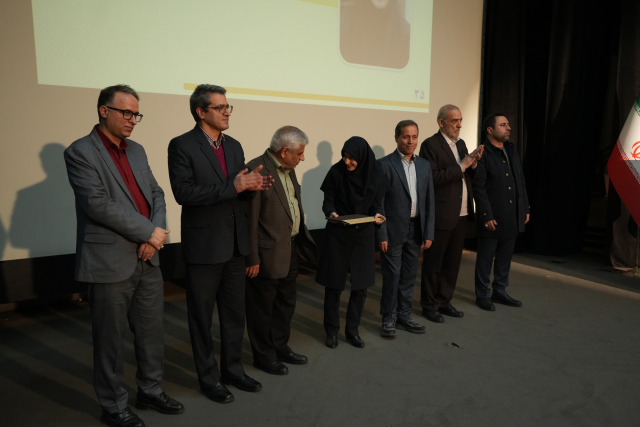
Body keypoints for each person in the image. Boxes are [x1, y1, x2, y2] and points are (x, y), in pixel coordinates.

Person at [64, 85, 183, 427]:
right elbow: (98, 204)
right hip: (109, 261)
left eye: (136, 114)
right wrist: (148, 232)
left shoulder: (138, 150)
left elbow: (157, 194)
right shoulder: (80, 152)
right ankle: (113, 405)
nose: (132, 119)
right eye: (126, 112)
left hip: (149, 256)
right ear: (104, 110)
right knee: (110, 340)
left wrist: (154, 237)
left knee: (151, 332)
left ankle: (150, 390)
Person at [167, 84, 273, 403]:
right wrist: (235, 186)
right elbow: (184, 193)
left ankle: (233, 370)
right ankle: (209, 378)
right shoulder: (182, 145)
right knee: (201, 318)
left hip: (235, 245)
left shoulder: (234, 146)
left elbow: (237, 192)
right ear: (201, 112)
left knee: (234, 314)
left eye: (228, 107)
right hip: (204, 246)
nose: (227, 112)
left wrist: (252, 188)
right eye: (220, 107)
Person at [245, 126, 318, 375]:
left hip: (290, 248)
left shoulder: (289, 169)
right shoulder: (256, 169)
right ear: (285, 151)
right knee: (262, 309)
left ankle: (280, 347)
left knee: (286, 303)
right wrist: (252, 257)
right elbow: (250, 220)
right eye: (299, 153)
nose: (303, 158)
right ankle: (263, 356)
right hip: (265, 254)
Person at [315, 137, 386, 349]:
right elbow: (328, 201)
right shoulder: (336, 172)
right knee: (334, 285)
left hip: (363, 236)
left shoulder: (376, 174)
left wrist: (378, 215)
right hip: (338, 234)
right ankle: (331, 331)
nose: (347, 162)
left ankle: (352, 330)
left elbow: (377, 204)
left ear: (362, 158)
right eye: (344, 156)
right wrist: (331, 212)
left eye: (351, 158)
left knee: (360, 286)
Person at [418, 104, 483, 323]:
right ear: (441, 122)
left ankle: (444, 301)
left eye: (460, 120)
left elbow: (466, 175)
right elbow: (431, 177)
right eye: (454, 121)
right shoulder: (430, 145)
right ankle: (429, 305)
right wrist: (462, 166)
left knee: (453, 263)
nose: (459, 125)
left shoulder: (461, 144)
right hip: (442, 213)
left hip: (462, 213)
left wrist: (473, 164)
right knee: (434, 263)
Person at [377, 120, 435, 337]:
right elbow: (379, 203)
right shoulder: (383, 165)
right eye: (406, 137)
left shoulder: (424, 165)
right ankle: (388, 318)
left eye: (414, 137)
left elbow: (429, 201)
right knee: (392, 276)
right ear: (396, 138)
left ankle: (404, 315)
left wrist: (428, 232)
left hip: (416, 230)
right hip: (392, 231)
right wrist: (382, 233)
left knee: (409, 275)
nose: (411, 141)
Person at [473, 113, 530, 310]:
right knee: (486, 258)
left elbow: (519, 180)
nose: (509, 128)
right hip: (492, 215)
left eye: (508, 124)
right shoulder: (483, 153)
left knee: (505, 256)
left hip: (512, 213)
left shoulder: (511, 149)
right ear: (490, 130)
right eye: (503, 125)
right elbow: (479, 188)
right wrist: (486, 215)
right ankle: (482, 294)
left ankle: (499, 290)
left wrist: (525, 207)